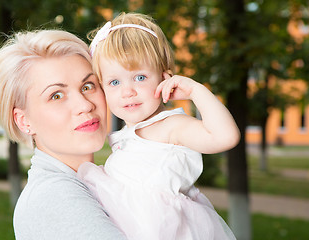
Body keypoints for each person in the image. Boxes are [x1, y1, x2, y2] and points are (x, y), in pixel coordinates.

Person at [77, 12, 240, 240]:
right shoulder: (126, 135)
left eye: (140, 77)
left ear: (165, 78)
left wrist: (196, 92)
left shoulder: (171, 127)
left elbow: (225, 137)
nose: (128, 91)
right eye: (115, 82)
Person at [0, 29, 126, 240]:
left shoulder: (96, 181)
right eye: (56, 95)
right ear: (23, 120)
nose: (84, 105)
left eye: (87, 86)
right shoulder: (54, 196)